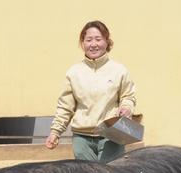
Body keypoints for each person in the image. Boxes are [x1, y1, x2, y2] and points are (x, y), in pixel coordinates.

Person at [45, 20, 137, 162]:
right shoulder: (74, 73)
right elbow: (65, 107)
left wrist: (126, 107)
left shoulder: (119, 70)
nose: (93, 44)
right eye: (88, 40)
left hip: (111, 137)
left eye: (98, 39)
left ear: (107, 42)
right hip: (82, 139)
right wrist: (55, 132)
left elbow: (128, 96)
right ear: (83, 43)